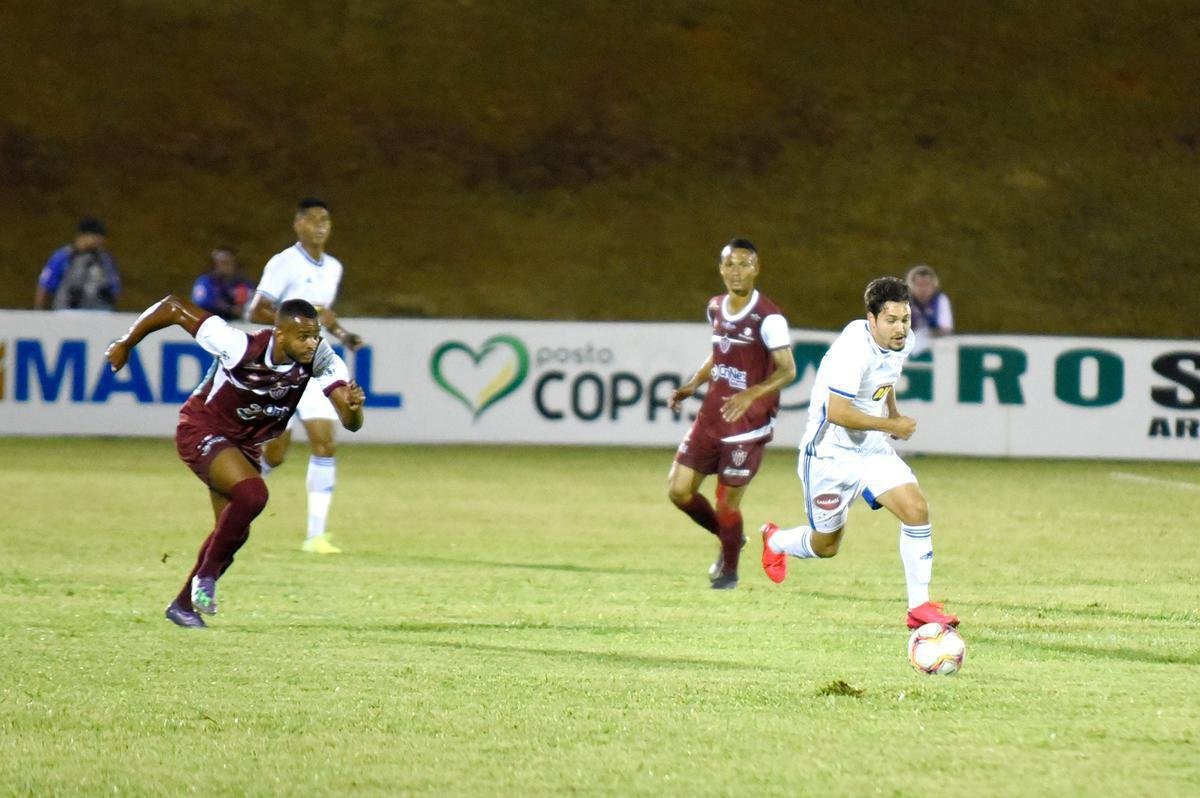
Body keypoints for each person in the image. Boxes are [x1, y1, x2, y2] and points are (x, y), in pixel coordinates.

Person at [105, 294, 365, 629]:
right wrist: (127, 342)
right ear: (280, 334)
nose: (312, 343)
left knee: (232, 533)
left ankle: (183, 606)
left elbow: (349, 422)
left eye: (315, 335)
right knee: (253, 495)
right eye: (304, 337)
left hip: (243, 445)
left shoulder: (321, 358)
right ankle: (206, 579)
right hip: (202, 429)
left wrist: (355, 409)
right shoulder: (238, 345)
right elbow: (172, 306)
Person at [759, 276, 959, 629]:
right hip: (829, 455)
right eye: (892, 321)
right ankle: (775, 540)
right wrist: (892, 426)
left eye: (906, 319)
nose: (901, 329)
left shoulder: (903, 341)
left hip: (870, 449)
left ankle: (919, 607)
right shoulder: (854, 351)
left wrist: (892, 413)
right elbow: (837, 413)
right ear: (872, 319)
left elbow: (887, 376)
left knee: (916, 509)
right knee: (826, 546)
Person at [667, 238, 797, 590]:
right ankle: (731, 537)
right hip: (711, 417)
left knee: (727, 501)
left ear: (756, 268)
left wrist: (751, 393)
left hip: (747, 424)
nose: (737, 271)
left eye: (744, 264)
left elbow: (788, 370)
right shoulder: (715, 307)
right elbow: (719, 352)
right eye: (730, 264)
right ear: (721, 269)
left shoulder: (769, 317)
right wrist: (693, 383)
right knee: (678, 491)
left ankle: (729, 573)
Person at [247, 198, 364, 555]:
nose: (319, 225)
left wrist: (343, 335)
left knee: (325, 441)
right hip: (280, 363)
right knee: (276, 453)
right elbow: (256, 311)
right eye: (311, 219)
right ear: (297, 225)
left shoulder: (333, 267)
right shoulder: (284, 263)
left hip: (317, 361)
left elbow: (323, 317)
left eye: (325, 219)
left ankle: (316, 535)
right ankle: (238, 503)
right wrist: (302, 322)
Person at [34, 217, 121, 310]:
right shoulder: (64, 256)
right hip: (67, 312)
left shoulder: (104, 259)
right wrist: (39, 311)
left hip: (99, 312)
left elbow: (114, 287)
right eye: (95, 237)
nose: (98, 241)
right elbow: (45, 285)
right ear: (82, 236)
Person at [191, 247, 256, 320]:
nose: (229, 266)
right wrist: (230, 309)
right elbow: (202, 303)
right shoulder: (204, 282)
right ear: (213, 265)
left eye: (231, 262)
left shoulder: (240, 283)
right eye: (224, 263)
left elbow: (252, 298)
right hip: (210, 323)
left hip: (235, 324)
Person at [905, 264, 954, 356]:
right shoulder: (905, 302)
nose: (923, 289)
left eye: (926, 285)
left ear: (934, 286)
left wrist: (928, 332)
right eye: (919, 285)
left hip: (937, 346)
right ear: (912, 286)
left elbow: (946, 329)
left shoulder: (940, 300)